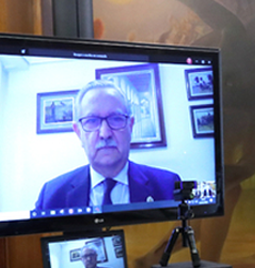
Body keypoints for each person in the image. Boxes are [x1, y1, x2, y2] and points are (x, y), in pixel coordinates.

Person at [35, 80, 181, 210]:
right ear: (78, 132)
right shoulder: (52, 196)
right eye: (92, 121)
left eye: (116, 119)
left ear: (130, 126)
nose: (105, 133)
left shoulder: (168, 186)